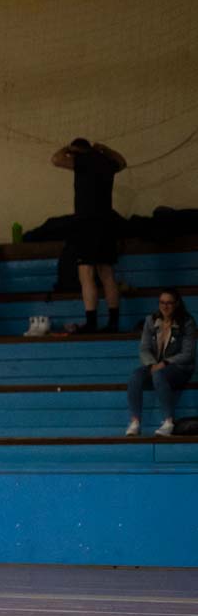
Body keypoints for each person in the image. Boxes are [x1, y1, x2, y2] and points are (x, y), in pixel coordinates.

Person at [52, 139, 127, 334]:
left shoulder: (82, 160)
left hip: (86, 223)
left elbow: (56, 159)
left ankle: (91, 321)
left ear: (78, 151)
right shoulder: (106, 162)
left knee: (86, 273)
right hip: (107, 222)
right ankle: (113, 322)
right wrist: (106, 149)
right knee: (107, 273)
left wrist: (68, 149)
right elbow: (122, 162)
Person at [127, 289, 195, 437]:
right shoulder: (151, 320)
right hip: (156, 366)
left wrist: (165, 363)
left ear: (176, 304)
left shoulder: (187, 322)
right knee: (135, 376)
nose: (165, 306)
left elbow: (188, 354)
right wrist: (152, 364)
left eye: (169, 303)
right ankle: (135, 422)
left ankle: (168, 421)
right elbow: (144, 348)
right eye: (162, 303)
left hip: (179, 367)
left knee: (159, 375)